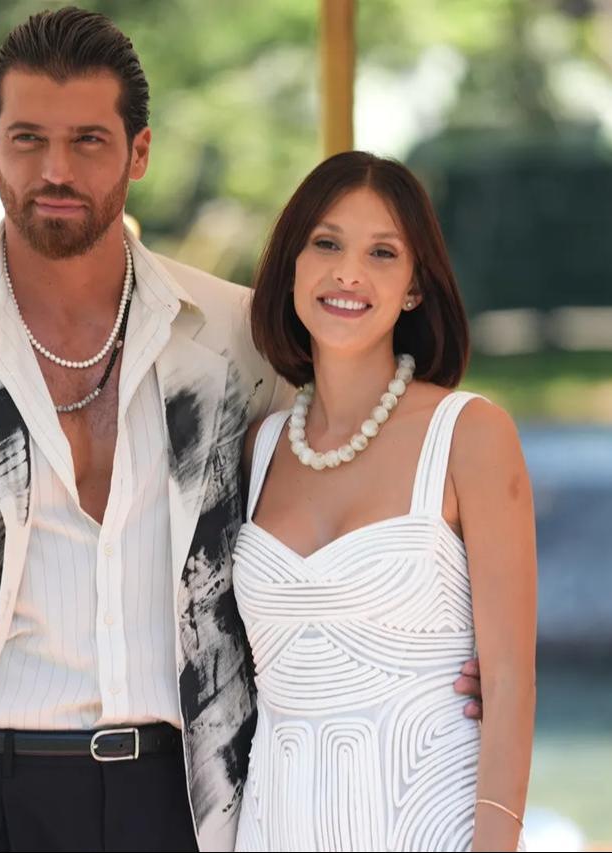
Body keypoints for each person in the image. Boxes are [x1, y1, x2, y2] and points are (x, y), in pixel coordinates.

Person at [0, 8, 484, 852]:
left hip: (181, 804)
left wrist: (437, 652)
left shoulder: (236, 336)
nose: (54, 169)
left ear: (138, 153)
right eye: (28, 138)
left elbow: (338, 479)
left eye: (88, 140)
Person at [233, 151, 537, 852]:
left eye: (382, 252)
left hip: (426, 825)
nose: (349, 272)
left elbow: (512, 685)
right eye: (327, 243)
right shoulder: (260, 447)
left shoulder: (471, 435)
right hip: (273, 826)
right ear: (292, 267)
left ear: (413, 287)